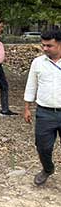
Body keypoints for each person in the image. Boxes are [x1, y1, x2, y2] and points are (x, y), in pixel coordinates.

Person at [23, 30, 61, 186]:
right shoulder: (38, 62)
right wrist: (27, 107)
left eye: (49, 45)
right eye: (43, 45)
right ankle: (47, 169)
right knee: (43, 147)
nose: (45, 49)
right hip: (44, 112)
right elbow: (31, 85)